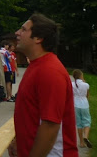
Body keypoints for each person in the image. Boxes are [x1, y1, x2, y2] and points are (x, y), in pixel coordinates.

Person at [8, 13, 78, 157]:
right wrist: (18, 141)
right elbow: (31, 112)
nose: (17, 33)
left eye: (23, 29)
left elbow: (50, 125)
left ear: (38, 38)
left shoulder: (50, 71)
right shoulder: (36, 65)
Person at [72, 69, 91, 149]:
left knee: (79, 124)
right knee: (87, 121)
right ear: (81, 76)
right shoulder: (85, 85)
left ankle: (81, 143)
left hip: (76, 105)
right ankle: (85, 136)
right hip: (84, 105)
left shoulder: (71, 84)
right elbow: (87, 95)